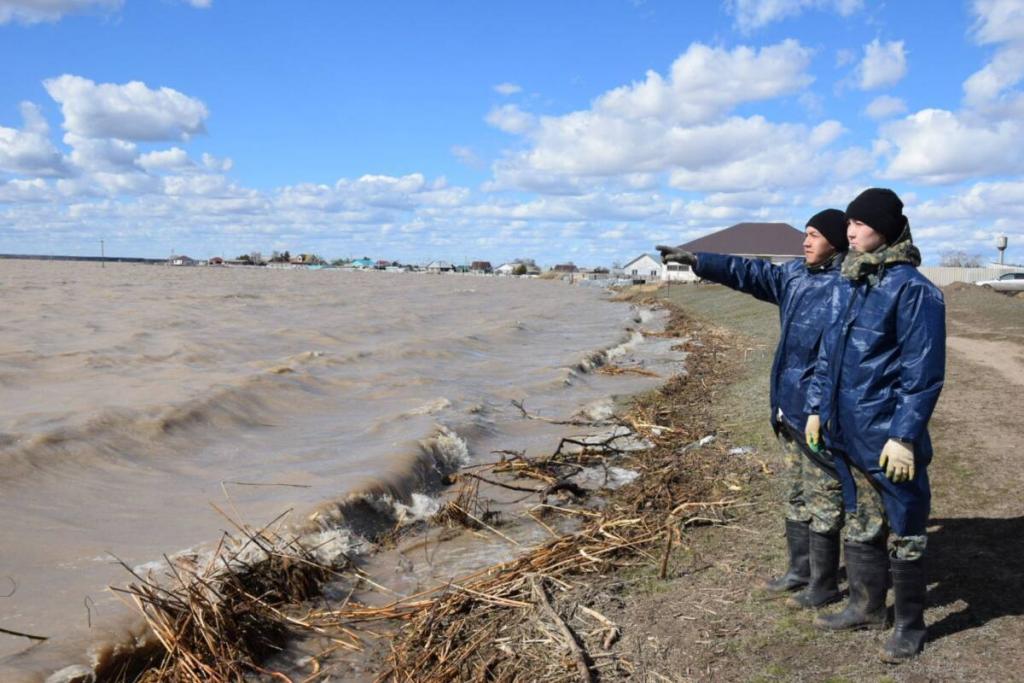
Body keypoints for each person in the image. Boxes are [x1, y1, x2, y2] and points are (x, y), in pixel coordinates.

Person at [657, 209, 849, 610]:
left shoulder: (846, 285)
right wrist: (697, 260)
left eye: (814, 235)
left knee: (824, 496)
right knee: (796, 491)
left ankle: (825, 583)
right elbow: (751, 272)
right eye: (806, 233)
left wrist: (820, 408)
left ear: (836, 240)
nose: (806, 241)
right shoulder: (794, 276)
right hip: (786, 405)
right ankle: (800, 571)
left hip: (817, 410)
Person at [804, 188, 945, 663]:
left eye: (860, 223)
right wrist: (818, 408)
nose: (850, 231)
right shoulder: (851, 281)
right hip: (847, 431)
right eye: (848, 224)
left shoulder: (913, 289)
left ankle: (910, 624)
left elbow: (921, 372)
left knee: (905, 526)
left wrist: (904, 435)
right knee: (860, 520)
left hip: (888, 435)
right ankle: (865, 606)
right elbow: (829, 355)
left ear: (884, 228)